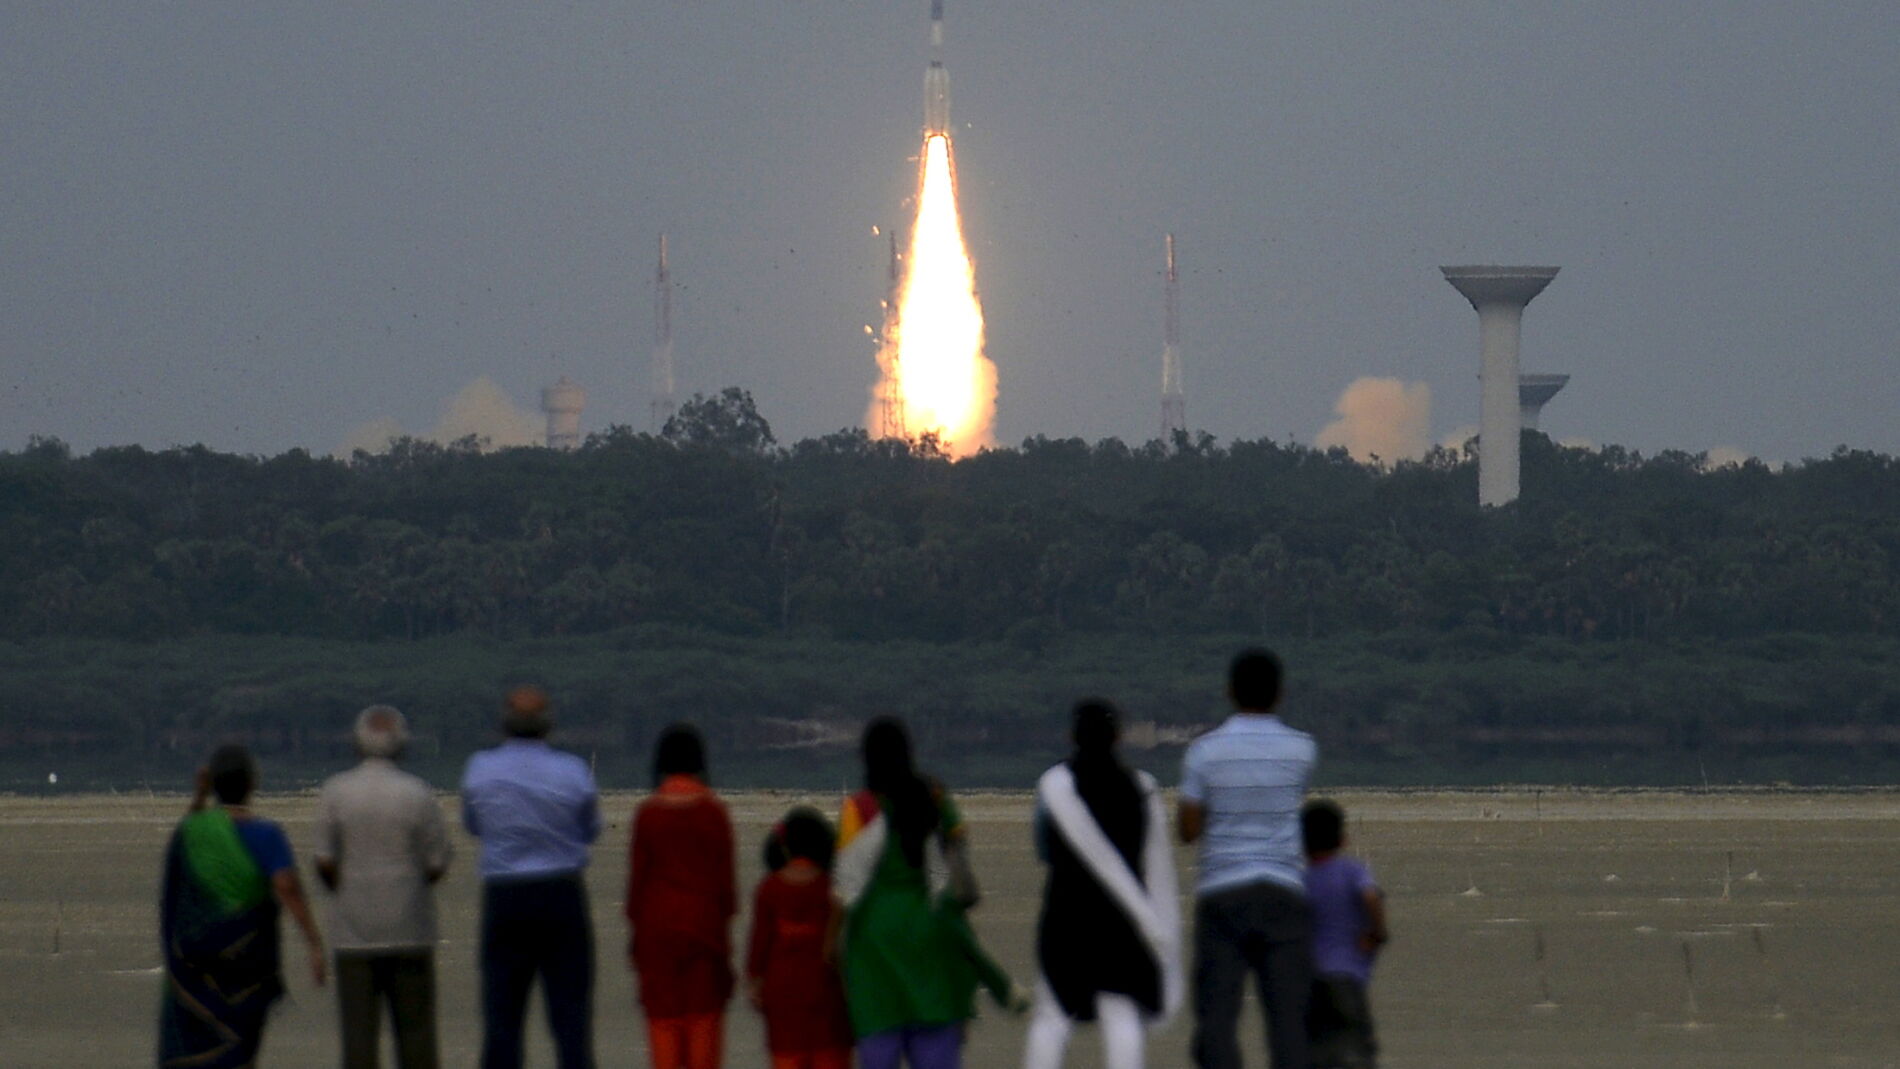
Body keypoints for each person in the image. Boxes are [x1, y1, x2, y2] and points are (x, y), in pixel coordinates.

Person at [834, 716, 1016, 1069]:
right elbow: (956, 863)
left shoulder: (859, 809)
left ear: (865, 758)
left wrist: (831, 944)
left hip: (875, 950)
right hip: (932, 942)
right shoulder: (934, 795)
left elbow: (846, 889)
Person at [1178, 648, 1318, 1069]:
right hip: (1283, 891)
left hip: (1223, 892)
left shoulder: (1204, 752)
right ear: (1280, 693)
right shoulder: (1302, 749)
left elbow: (1187, 831)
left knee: (1217, 1018)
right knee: (1288, 1022)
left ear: (1229, 691)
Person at [1022, 701, 1182, 1069]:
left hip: (1066, 914)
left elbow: (1043, 849)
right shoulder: (1141, 788)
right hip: (1121, 921)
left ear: (1071, 736)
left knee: (1053, 1017)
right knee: (1121, 1014)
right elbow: (1154, 859)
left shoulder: (1054, 785)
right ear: (1119, 737)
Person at [158, 744, 326, 1068]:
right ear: (252, 784)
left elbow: (186, 842)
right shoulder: (266, 834)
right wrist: (313, 942)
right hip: (247, 967)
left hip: (198, 965)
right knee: (240, 1050)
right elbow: (287, 887)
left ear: (211, 784)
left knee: (198, 1051)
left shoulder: (193, 831)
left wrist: (199, 797)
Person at [461, 686, 602, 1069]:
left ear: (504, 723)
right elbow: (590, 830)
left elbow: (473, 825)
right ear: (548, 724)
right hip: (561, 894)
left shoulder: (480, 769)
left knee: (502, 1018)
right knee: (571, 1019)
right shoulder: (572, 772)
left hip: (505, 896)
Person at [314, 705, 454, 1069]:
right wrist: (411, 888)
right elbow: (437, 862)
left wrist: (347, 891)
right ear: (401, 742)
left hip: (353, 932)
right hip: (411, 929)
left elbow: (325, 861)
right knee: (418, 1039)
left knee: (358, 1043)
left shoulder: (336, 791)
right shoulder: (418, 793)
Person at [626, 723, 736, 1069]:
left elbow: (637, 889)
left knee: (664, 1028)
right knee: (702, 1025)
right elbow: (726, 891)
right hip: (704, 934)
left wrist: (637, 937)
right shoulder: (713, 813)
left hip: (657, 935)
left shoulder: (649, 814)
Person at [746, 808, 855, 1069]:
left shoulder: (770, 889)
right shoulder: (832, 890)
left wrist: (755, 983)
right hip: (827, 998)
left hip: (783, 998)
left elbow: (758, 948)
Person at [1300, 801, 1386, 1069]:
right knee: (1356, 1050)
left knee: (1313, 1052)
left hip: (1309, 982)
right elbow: (1370, 896)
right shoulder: (1353, 871)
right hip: (1346, 979)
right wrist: (1377, 933)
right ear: (1343, 838)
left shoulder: (1300, 880)